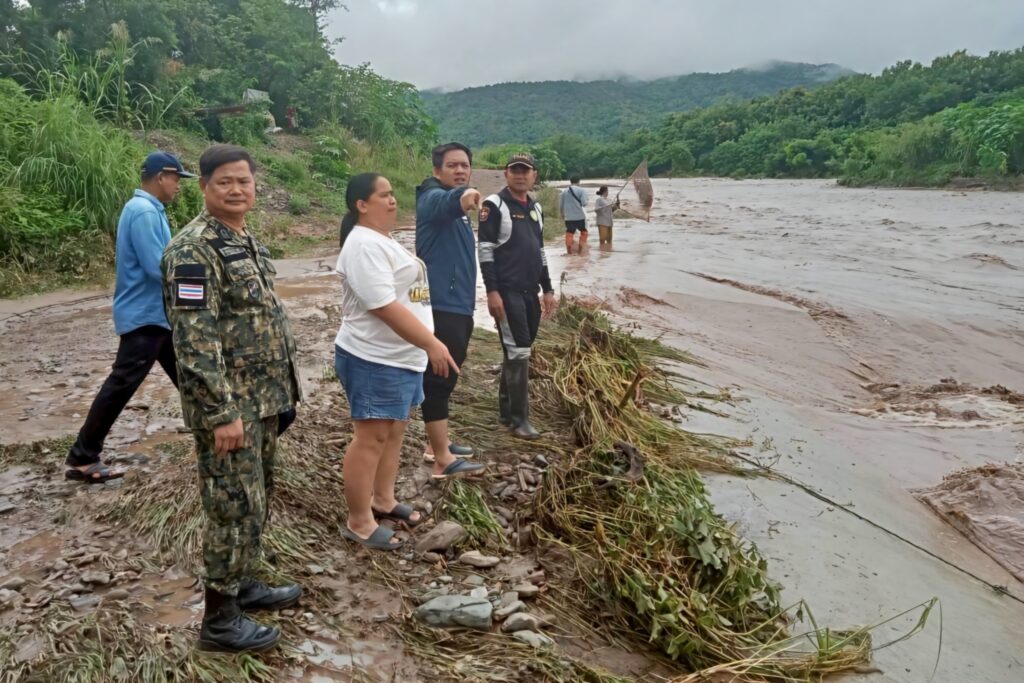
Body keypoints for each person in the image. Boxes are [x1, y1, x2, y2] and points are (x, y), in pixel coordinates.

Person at [162, 144, 302, 653]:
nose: (237, 189)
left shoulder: (246, 241)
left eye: (244, 180)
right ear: (204, 187)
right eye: (225, 181)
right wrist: (222, 413)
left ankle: (244, 584)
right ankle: (219, 621)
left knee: (256, 499)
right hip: (231, 409)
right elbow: (193, 341)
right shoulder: (192, 251)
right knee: (231, 507)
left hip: (263, 402)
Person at [335, 173, 483, 552]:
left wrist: (421, 346)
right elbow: (383, 306)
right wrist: (432, 343)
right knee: (371, 437)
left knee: (395, 432)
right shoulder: (363, 245)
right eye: (383, 196)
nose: (393, 201)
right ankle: (359, 520)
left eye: (393, 194)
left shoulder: (383, 240)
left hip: (402, 356)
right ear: (361, 205)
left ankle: (383, 499)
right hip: (373, 356)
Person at [63, 151, 196, 484]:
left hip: (158, 317)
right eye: (177, 178)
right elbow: (159, 269)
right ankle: (83, 456)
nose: (178, 185)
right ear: (161, 176)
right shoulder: (143, 212)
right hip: (145, 317)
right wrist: (201, 291)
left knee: (192, 378)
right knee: (122, 383)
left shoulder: (149, 210)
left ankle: (216, 438)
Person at [415, 142, 486, 468]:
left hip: (458, 303)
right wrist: (462, 198)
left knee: (445, 376)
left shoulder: (456, 211)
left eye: (464, 166)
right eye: (452, 166)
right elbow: (441, 202)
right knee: (439, 379)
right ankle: (440, 456)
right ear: (437, 171)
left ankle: (437, 443)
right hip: (443, 305)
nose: (460, 171)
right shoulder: (432, 198)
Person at [478, 153, 557, 439]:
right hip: (507, 293)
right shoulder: (494, 205)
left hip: (530, 293)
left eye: (526, 171)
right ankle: (520, 419)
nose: (520, 175)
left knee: (517, 351)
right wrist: (492, 292)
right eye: (515, 171)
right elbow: (485, 251)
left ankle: (505, 410)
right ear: (506, 174)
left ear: (534, 175)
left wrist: (547, 289)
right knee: (519, 351)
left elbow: (540, 252)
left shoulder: (536, 208)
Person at [559, 175, 588, 255]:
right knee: (584, 232)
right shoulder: (581, 190)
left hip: (568, 217)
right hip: (579, 216)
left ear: (570, 182)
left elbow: (561, 205)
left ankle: (569, 252)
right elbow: (584, 203)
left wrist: (562, 215)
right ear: (579, 181)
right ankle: (581, 250)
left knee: (569, 233)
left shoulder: (564, 191)